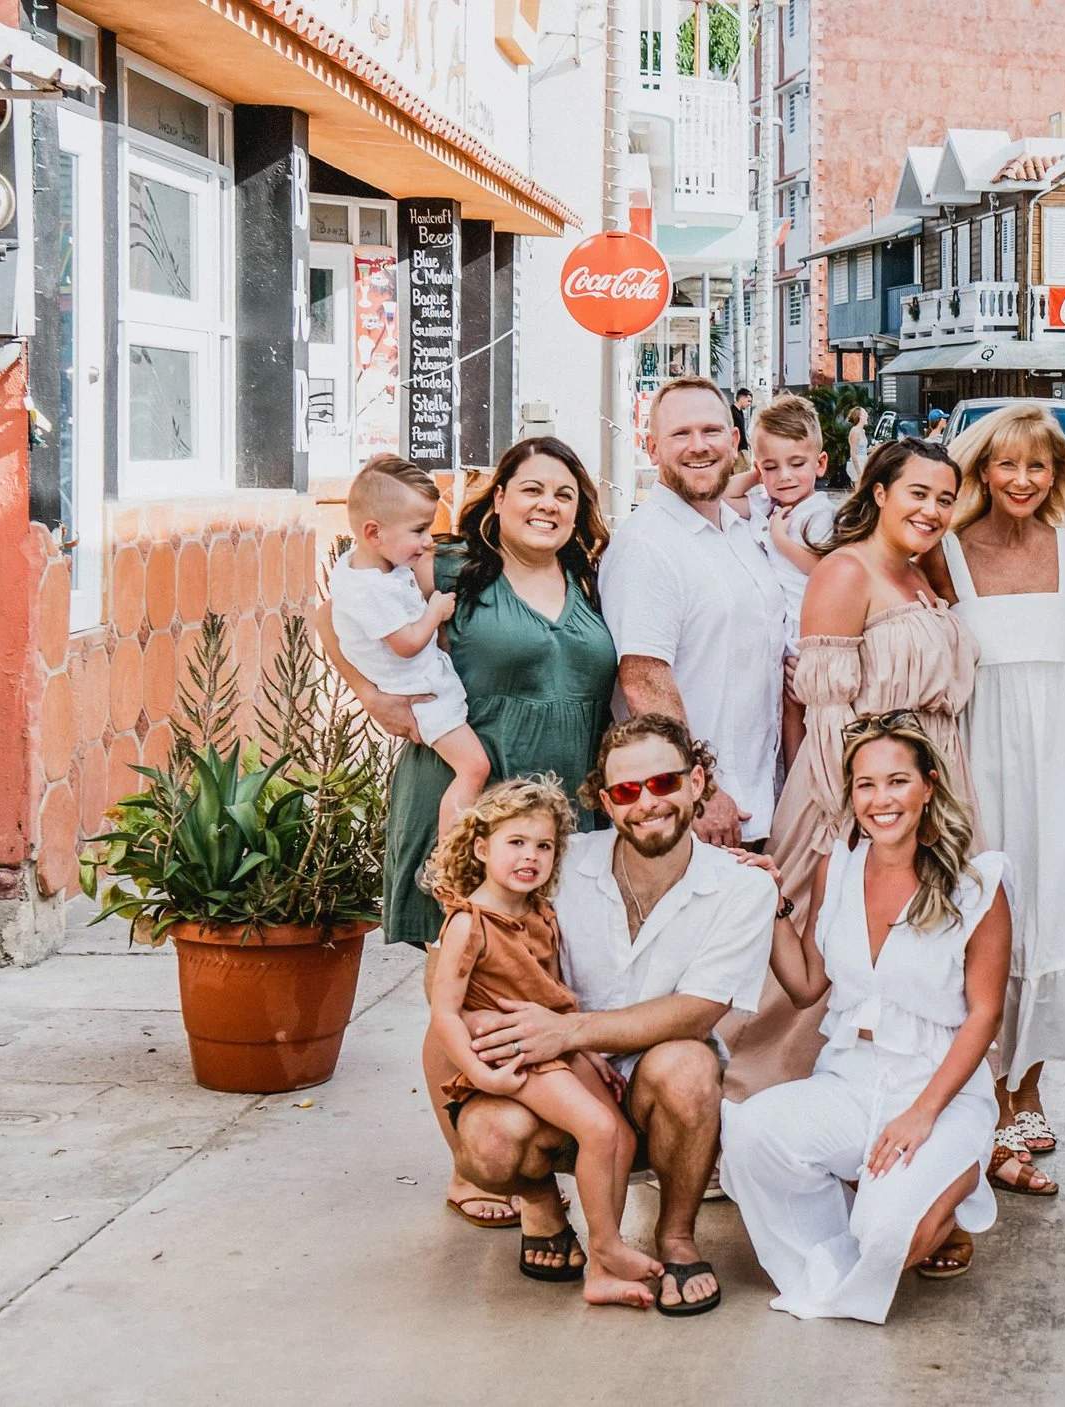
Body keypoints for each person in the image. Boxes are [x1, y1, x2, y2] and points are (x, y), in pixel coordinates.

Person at [324, 436, 617, 1231]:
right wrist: (370, 695)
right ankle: (467, 1163)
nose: (547, 504)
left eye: (563, 492)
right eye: (531, 488)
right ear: (501, 496)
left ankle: (539, 1147)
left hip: (568, 819)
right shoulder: (448, 567)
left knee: (553, 989)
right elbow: (337, 610)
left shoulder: (593, 575)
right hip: (466, 806)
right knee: (460, 993)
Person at [423, 715, 779, 1314]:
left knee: (689, 1066)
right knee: (483, 1131)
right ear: (606, 802)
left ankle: (675, 1234)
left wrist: (569, 1031)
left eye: (663, 782)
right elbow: (454, 966)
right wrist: (478, 1025)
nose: (647, 803)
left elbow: (698, 1012)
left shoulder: (742, 887)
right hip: (558, 1080)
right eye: (625, 791)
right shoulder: (558, 865)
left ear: (697, 783)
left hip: (646, 1089)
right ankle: (539, 1204)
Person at [721, 713, 1009, 1322]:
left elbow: (985, 1015)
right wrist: (771, 905)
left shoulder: (977, 882)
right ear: (850, 795)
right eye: (865, 785)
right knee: (751, 1134)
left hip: (938, 1089)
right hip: (850, 1078)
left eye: (897, 781)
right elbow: (805, 986)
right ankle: (873, 1208)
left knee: (887, 1240)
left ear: (929, 785)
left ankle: (949, 1190)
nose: (881, 800)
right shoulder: (837, 868)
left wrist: (922, 1115)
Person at [732, 438, 980, 1101]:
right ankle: (748, 1098)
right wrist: (859, 815)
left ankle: (878, 1096)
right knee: (822, 945)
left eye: (945, 499)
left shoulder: (922, 573)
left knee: (900, 951)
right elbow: (826, 709)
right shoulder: (846, 572)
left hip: (929, 783)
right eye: (917, 493)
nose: (931, 510)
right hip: (851, 792)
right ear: (877, 492)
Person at [936, 404, 1065, 1195]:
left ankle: (1028, 1087)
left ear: (1058, 474)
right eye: (1006, 464)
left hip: (1061, 753)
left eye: (1037, 465)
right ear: (981, 469)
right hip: (981, 752)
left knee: (1049, 910)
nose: (1021, 479)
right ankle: (985, 1089)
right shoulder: (947, 552)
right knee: (985, 918)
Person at [426, 777, 661, 1308]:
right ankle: (609, 1246)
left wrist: (583, 1051)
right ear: (482, 847)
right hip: (513, 1053)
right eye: (516, 842)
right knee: (598, 1129)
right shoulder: (470, 924)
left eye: (544, 845)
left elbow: (554, 997)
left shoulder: (540, 914)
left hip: (553, 1045)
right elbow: (446, 1012)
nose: (530, 856)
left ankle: (601, 1268)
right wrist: (482, 1075)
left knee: (619, 1135)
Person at [601, 376, 788, 849]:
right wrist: (698, 790)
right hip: (698, 814)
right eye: (680, 434)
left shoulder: (739, 530)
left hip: (761, 799)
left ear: (734, 441)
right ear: (652, 448)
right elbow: (643, 678)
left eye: (711, 431)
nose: (698, 446)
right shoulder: (647, 543)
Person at [327, 455, 490, 835]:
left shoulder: (368, 565)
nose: (427, 541)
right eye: (418, 531)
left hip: (422, 686)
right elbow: (406, 644)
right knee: (474, 768)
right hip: (422, 697)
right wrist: (435, 611)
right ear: (373, 533)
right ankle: (447, 858)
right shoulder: (371, 590)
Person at [730, 395, 840, 768]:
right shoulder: (767, 503)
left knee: (806, 709)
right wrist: (757, 474)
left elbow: (825, 569)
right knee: (786, 708)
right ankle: (793, 785)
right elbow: (724, 498)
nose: (785, 477)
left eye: (797, 464)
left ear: (819, 464)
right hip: (781, 629)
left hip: (809, 629)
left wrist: (781, 541)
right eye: (772, 468)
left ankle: (805, 782)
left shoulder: (818, 514)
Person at [846, 405, 871, 487]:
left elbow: (861, 449)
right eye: (865, 413)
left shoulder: (862, 431)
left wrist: (872, 449)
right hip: (858, 464)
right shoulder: (855, 431)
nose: (867, 415)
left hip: (864, 461)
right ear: (860, 416)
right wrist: (858, 472)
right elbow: (853, 452)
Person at [733, 386, 756, 453]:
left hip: (742, 449)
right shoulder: (732, 412)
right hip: (738, 450)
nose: (749, 404)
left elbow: (742, 432)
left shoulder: (740, 412)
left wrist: (749, 444)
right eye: (748, 401)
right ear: (742, 398)